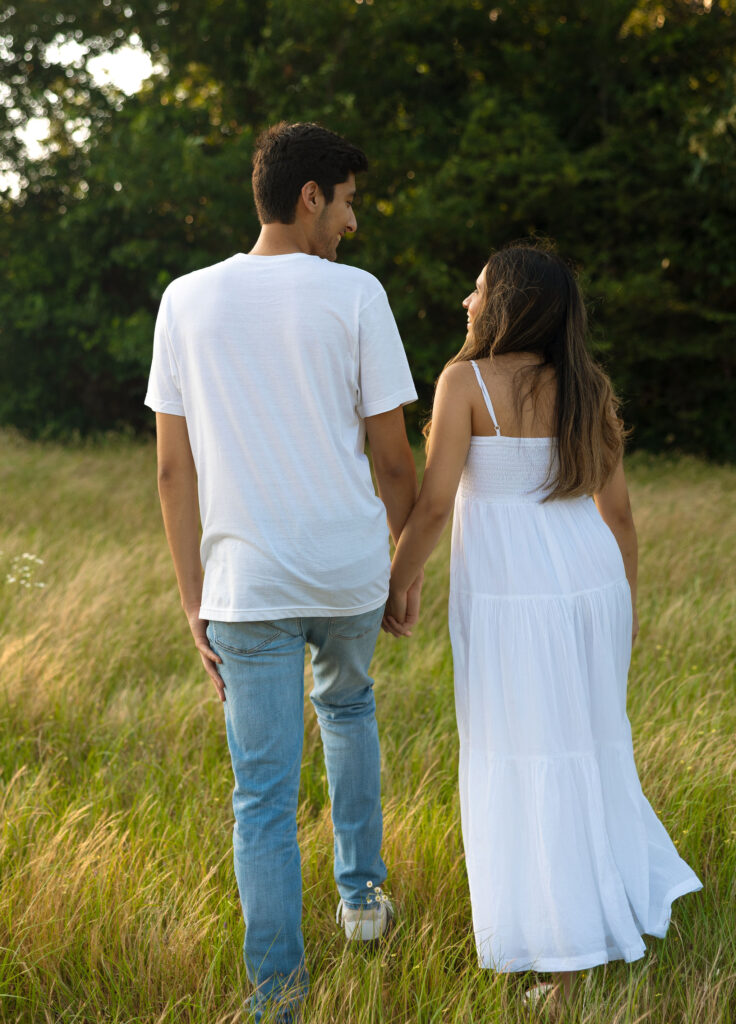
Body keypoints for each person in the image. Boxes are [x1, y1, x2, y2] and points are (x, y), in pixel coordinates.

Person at [145, 121, 420, 1023]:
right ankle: (362, 903)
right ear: (311, 196)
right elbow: (392, 457)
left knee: (260, 795)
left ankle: (278, 1002)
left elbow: (171, 471)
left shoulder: (184, 299)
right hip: (347, 575)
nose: (351, 223)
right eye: (346, 202)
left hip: (245, 588)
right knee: (346, 708)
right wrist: (399, 563)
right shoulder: (355, 297)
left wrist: (195, 599)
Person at [383, 242, 702, 1012]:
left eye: (479, 288)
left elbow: (432, 505)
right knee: (579, 752)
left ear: (508, 303)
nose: (466, 300)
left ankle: (562, 969)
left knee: (528, 759)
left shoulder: (465, 381)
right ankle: (581, 924)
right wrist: (621, 611)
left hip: (514, 598)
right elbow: (619, 516)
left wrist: (395, 584)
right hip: (591, 587)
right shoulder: (587, 385)